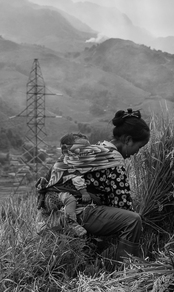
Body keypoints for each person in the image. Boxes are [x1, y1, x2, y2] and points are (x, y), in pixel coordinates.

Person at [37, 109, 150, 260]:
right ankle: (128, 267)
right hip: (78, 211)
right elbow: (122, 205)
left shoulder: (98, 149)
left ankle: (99, 259)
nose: (137, 152)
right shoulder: (114, 160)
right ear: (128, 140)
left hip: (61, 207)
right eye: (139, 147)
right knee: (133, 220)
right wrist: (143, 224)